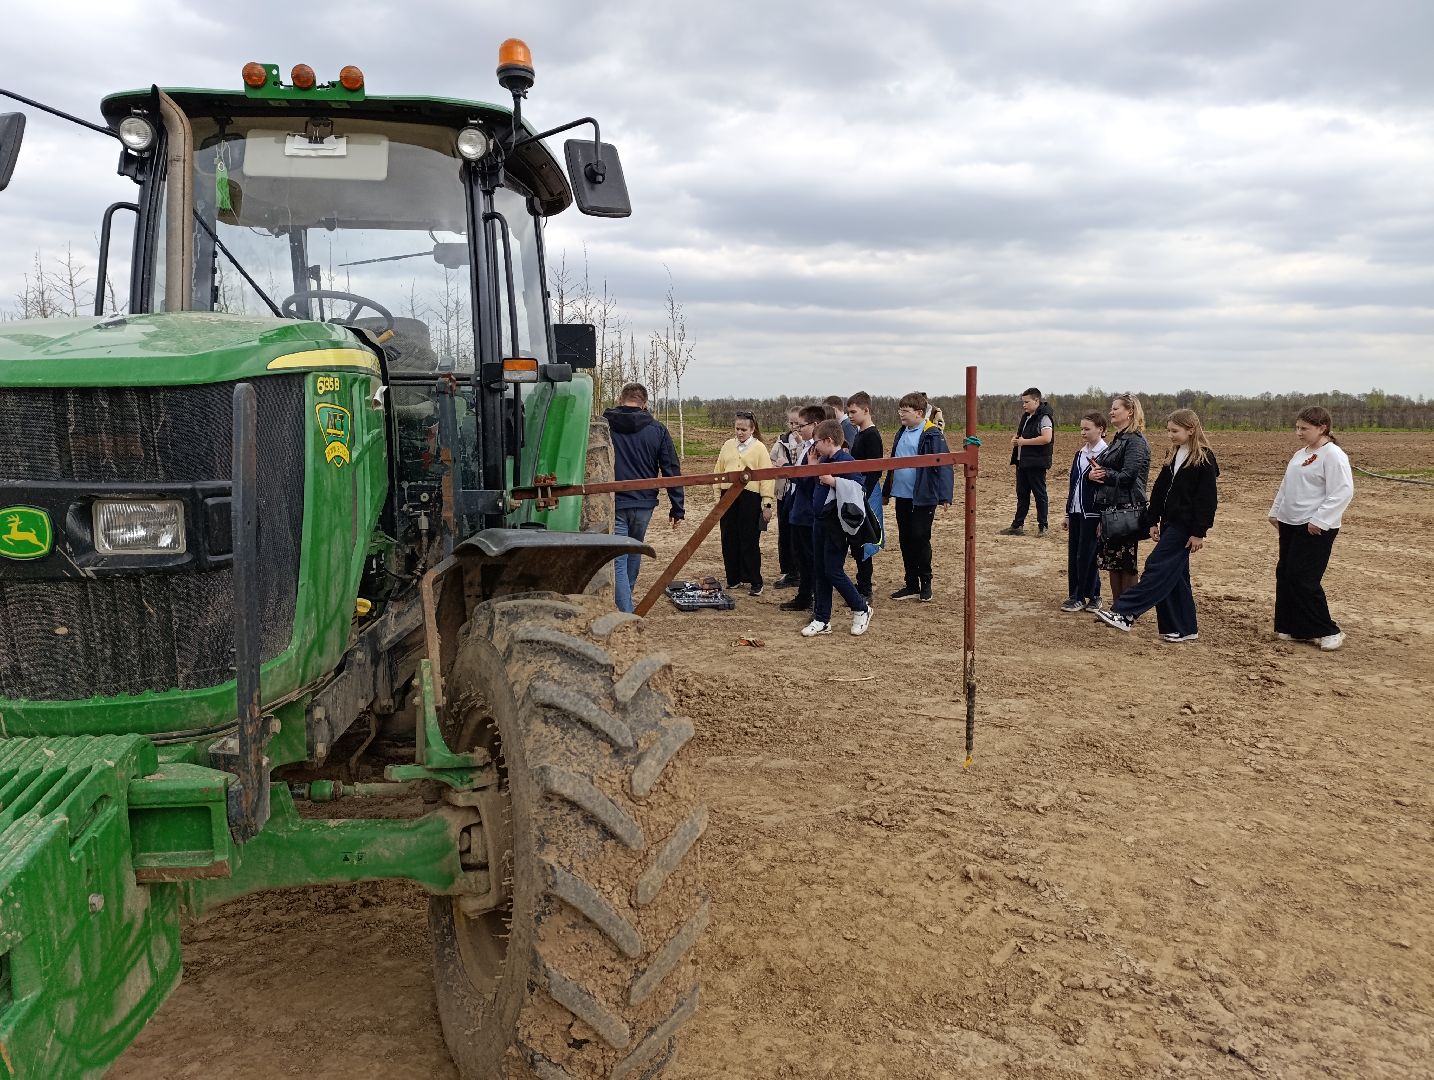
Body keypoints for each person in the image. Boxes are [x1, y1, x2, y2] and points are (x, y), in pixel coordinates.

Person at [1095, 409, 1219, 642]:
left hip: (1186, 526)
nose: (1170, 435)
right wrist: (1153, 520)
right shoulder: (1173, 454)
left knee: (1156, 565)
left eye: (1175, 431)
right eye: (1168, 430)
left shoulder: (1204, 458)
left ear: (1191, 430)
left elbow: (1207, 500)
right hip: (1170, 523)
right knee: (1176, 575)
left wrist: (1199, 533)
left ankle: (1125, 613)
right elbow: (1161, 491)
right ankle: (1183, 628)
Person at [1269, 406, 1355, 651]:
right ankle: (1292, 626)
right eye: (1297, 427)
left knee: (1303, 578)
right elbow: (1287, 485)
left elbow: (1343, 491)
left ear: (1322, 428)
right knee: (1285, 574)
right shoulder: (1300, 454)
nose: (1298, 432)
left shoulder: (1333, 455)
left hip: (1314, 526)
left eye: (1304, 428)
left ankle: (1328, 630)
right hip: (1290, 522)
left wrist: (1320, 520)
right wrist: (1276, 511)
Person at [603, 382, 685, 613]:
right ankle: (626, 607)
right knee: (633, 551)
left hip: (615, 502)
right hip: (644, 504)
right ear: (645, 403)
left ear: (621, 399)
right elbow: (670, 468)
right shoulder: (657, 429)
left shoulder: (605, 427)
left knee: (619, 557)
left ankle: (624, 608)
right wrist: (677, 507)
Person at [801, 419, 873, 637]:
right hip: (820, 521)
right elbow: (807, 487)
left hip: (836, 525)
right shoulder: (823, 459)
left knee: (833, 570)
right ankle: (822, 619)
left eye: (817, 443)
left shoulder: (845, 460)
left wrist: (834, 482)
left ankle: (861, 608)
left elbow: (858, 488)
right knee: (820, 571)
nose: (815, 447)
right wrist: (813, 468)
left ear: (829, 440)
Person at [881, 391, 954, 602]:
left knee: (920, 538)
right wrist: (887, 491)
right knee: (905, 539)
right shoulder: (901, 432)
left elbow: (945, 464)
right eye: (900, 410)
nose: (901, 415)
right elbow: (894, 463)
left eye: (905, 411)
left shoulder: (932, 433)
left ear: (919, 413)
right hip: (902, 495)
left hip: (923, 496)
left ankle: (926, 582)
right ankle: (911, 583)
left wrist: (945, 495)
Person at [1088, 392, 1151, 605]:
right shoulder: (1119, 439)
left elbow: (1128, 477)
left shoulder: (1135, 441)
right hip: (1112, 508)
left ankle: (1127, 610)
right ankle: (1117, 607)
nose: (1111, 412)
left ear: (1130, 412)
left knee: (1126, 562)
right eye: (1111, 408)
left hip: (1127, 509)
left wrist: (1103, 473)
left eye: (1116, 408)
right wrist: (1093, 475)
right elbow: (1105, 470)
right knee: (1113, 562)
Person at [714, 411, 775, 595]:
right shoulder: (727, 446)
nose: (740, 433)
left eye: (743, 429)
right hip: (728, 496)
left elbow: (767, 477)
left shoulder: (759, 448)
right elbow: (718, 470)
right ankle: (733, 578)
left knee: (749, 539)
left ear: (752, 429)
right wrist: (718, 498)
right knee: (729, 537)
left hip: (749, 497)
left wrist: (767, 503)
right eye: (737, 429)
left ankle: (755, 581)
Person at [779, 405, 828, 614]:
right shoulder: (807, 447)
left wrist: (786, 470)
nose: (797, 429)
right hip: (798, 509)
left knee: (811, 557)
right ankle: (804, 595)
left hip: (808, 511)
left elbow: (810, 480)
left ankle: (815, 598)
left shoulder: (817, 450)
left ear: (815, 425)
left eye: (802, 425)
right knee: (801, 557)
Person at [1060, 412, 1108, 613]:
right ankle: (1076, 594)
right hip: (1077, 512)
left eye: (1087, 429)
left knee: (1087, 555)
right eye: (1081, 428)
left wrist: (1102, 518)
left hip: (1093, 514)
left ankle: (1091, 595)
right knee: (1075, 554)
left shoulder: (1106, 454)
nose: (1083, 432)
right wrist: (1068, 513)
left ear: (1101, 429)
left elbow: (1106, 489)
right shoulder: (1080, 454)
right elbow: (1073, 484)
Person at [844, 391, 884, 600]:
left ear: (866, 410)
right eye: (848, 412)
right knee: (856, 541)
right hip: (858, 492)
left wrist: (862, 493)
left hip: (866, 494)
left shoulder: (871, 435)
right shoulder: (859, 433)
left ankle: (865, 588)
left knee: (865, 540)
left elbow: (875, 470)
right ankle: (861, 583)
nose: (849, 416)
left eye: (853, 411)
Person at [1000, 387, 1055, 536]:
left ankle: (1043, 526)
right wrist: (1016, 439)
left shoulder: (1044, 417)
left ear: (1036, 401)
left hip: (1036, 463)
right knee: (1022, 494)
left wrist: (1024, 442)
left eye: (1026, 402)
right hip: (1022, 462)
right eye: (1023, 402)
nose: (1024, 405)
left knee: (1039, 495)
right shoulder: (1027, 416)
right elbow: (1022, 436)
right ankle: (1017, 526)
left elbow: (1046, 438)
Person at [770, 407, 804, 588]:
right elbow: (773, 458)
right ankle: (787, 570)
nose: (793, 427)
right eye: (791, 423)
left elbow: (802, 465)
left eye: (797, 424)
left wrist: (788, 465)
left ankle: (798, 571)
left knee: (795, 532)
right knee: (784, 531)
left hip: (798, 491)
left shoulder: (805, 442)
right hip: (783, 491)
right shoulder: (782, 440)